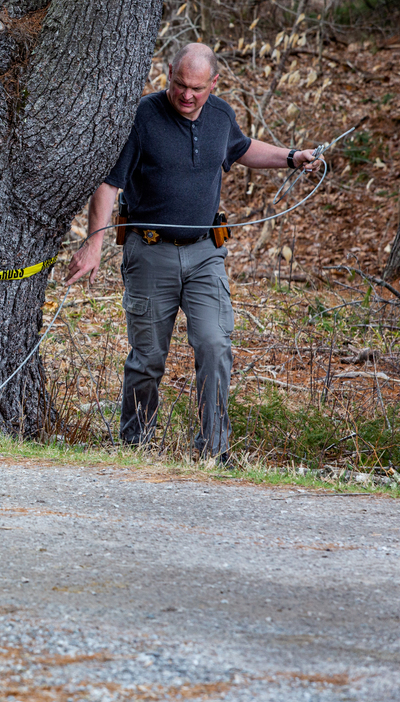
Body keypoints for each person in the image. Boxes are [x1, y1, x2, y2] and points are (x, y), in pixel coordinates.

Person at [65, 42, 319, 463]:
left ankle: (213, 453)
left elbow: (241, 149)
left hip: (206, 255)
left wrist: (292, 157)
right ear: (169, 73)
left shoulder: (220, 115)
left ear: (214, 83)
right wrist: (94, 243)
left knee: (215, 345)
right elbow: (109, 184)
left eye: (197, 88)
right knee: (147, 358)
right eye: (180, 84)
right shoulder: (143, 116)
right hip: (150, 254)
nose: (187, 95)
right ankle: (135, 446)